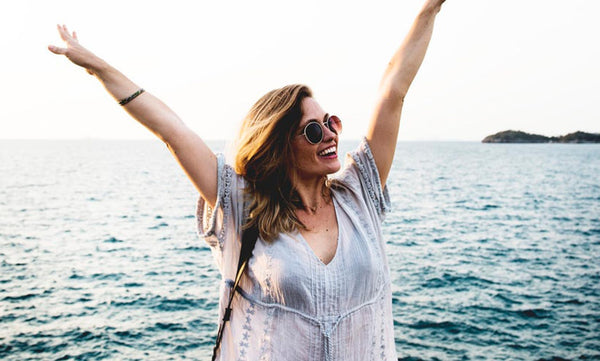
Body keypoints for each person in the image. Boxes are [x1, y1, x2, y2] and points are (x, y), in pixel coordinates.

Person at [49, 0, 446, 359]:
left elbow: (393, 90)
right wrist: (96, 66)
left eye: (331, 122)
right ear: (281, 145)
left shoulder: (359, 193)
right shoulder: (242, 207)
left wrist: (429, 8)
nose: (330, 135)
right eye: (312, 131)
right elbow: (172, 130)